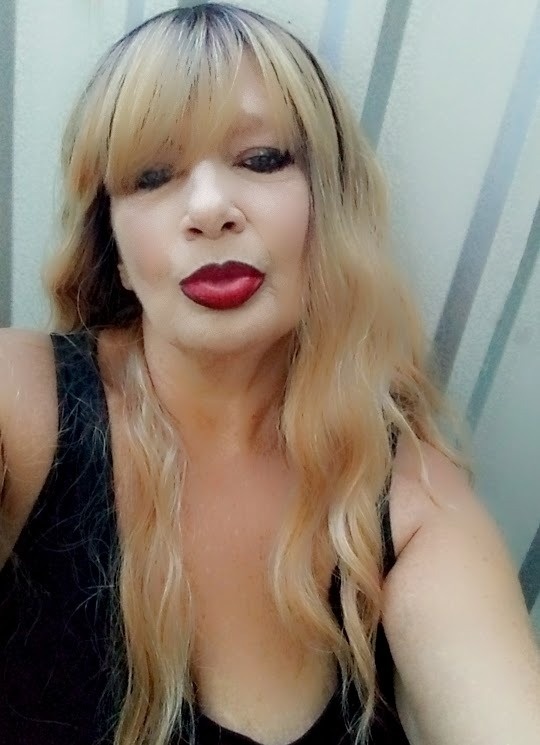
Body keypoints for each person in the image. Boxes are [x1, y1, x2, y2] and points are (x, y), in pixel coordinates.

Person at [0, 3, 539, 744]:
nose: (208, 208)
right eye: (152, 176)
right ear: (115, 250)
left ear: (328, 209)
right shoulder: (21, 402)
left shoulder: (414, 502)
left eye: (260, 160)